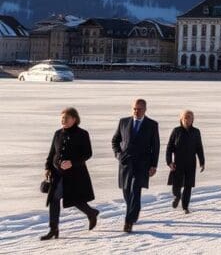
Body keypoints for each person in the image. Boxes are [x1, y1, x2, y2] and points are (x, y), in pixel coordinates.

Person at [41, 107, 99, 240]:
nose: (63, 120)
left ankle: (91, 213)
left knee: (75, 200)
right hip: (57, 174)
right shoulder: (57, 133)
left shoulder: (82, 134)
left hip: (75, 175)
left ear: (74, 119)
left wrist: (72, 162)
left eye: (66, 118)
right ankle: (53, 229)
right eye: (62, 118)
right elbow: (52, 153)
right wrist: (47, 167)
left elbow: (87, 154)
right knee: (54, 199)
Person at [111, 98, 160, 233]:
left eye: (139, 109)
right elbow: (115, 141)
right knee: (126, 192)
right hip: (125, 163)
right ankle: (134, 211)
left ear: (145, 110)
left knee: (135, 191)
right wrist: (118, 155)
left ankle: (129, 221)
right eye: (134, 109)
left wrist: (153, 165)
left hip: (142, 164)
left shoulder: (152, 124)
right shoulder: (124, 122)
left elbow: (155, 147)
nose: (136, 111)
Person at [166, 110, 205, 214]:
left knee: (188, 186)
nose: (187, 120)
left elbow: (199, 148)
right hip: (178, 163)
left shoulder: (196, 132)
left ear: (193, 120)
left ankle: (185, 206)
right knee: (176, 185)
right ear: (181, 119)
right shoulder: (176, 131)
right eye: (185, 117)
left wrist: (202, 162)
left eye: (189, 117)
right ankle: (177, 196)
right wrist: (169, 162)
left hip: (191, 163)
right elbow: (169, 148)